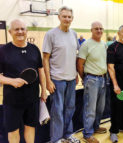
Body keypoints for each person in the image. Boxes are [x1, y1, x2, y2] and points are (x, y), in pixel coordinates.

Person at [0, 19, 46, 143]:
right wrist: (12, 81)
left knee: (30, 127)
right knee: (13, 131)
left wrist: (43, 91)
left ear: (27, 31)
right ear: (10, 32)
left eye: (22, 29)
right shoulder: (3, 50)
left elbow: (40, 70)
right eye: (16, 29)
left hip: (32, 99)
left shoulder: (34, 49)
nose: (20, 32)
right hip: (12, 101)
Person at [42, 6, 80, 143]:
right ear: (59, 17)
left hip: (71, 79)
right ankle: (56, 139)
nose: (67, 19)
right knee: (57, 111)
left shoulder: (74, 34)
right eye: (64, 16)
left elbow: (74, 56)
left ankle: (68, 135)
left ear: (72, 19)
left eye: (69, 17)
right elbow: (45, 58)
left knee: (70, 108)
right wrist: (48, 80)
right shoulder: (51, 34)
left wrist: (76, 74)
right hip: (57, 79)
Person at [77, 21, 107, 143]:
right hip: (92, 80)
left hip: (103, 79)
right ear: (91, 30)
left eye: (101, 28)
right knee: (90, 108)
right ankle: (87, 134)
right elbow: (80, 64)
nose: (99, 31)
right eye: (96, 29)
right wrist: (85, 78)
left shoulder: (104, 44)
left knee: (100, 107)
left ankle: (95, 126)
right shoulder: (86, 45)